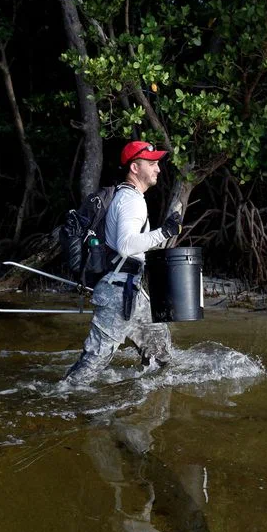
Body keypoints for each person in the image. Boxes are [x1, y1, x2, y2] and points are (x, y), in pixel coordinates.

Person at [63, 140, 183, 385]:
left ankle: (150, 396)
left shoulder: (127, 196)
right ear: (135, 168)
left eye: (157, 163)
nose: (158, 169)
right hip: (118, 292)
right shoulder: (130, 200)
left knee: (161, 352)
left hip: (131, 290)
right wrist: (165, 231)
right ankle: (57, 398)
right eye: (152, 163)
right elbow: (127, 245)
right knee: (93, 362)